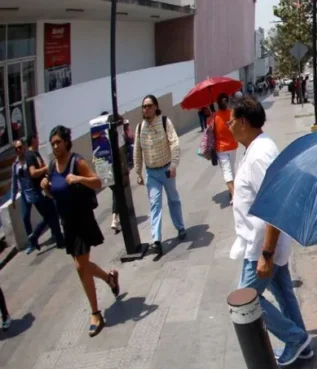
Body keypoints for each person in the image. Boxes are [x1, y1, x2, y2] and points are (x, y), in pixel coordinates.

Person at [227, 96, 313, 367]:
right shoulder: (256, 148)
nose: (227, 126)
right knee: (284, 293)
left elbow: (275, 202)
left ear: (242, 122)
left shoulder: (260, 154)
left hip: (262, 245)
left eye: (230, 121)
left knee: (246, 300)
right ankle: (303, 344)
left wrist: (266, 253)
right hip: (264, 242)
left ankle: (295, 338)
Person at [40, 126, 120, 338]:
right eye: (53, 143)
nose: (55, 146)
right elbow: (54, 195)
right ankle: (109, 278)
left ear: (66, 142)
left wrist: (77, 178)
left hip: (82, 219)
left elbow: (97, 181)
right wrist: (46, 188)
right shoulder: (51, 167)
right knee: (81, 265)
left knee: (79, 266)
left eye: (58, 142)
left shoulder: (77, 161)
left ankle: (95, 314)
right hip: (67, 223)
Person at [134, 95, 187, 256]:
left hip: (166, 169)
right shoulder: (139, 128)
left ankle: (180, 227)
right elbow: (137, 151)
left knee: (173, 199)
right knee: (155, 204)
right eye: (144, 106)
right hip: (151, 173)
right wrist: (138, 172)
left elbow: (174, 142)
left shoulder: (164, 121)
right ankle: (156, 241)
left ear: (156, 107)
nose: (146, 109)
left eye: (149, 106)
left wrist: (174, 164)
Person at [10, 139, 65, 253]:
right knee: (45, 215)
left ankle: (52, 236)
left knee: (49, 214)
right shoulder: (23, 161)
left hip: (37, 190)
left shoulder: (32, 155)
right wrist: (13, 197)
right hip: (33, 192)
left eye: (21, 147)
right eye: (17, 149)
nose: (20, 150)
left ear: (25, 146)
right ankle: (35, 237)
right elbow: (29, 175)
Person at [209, 93, 239, 204]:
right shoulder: (232, 113)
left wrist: (212, 115)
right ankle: (232, 191)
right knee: (231, 169)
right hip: (232, 146)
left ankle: (234, 195)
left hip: (221, 148)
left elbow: (209, 130)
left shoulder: (215, 116)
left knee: (227, 170)